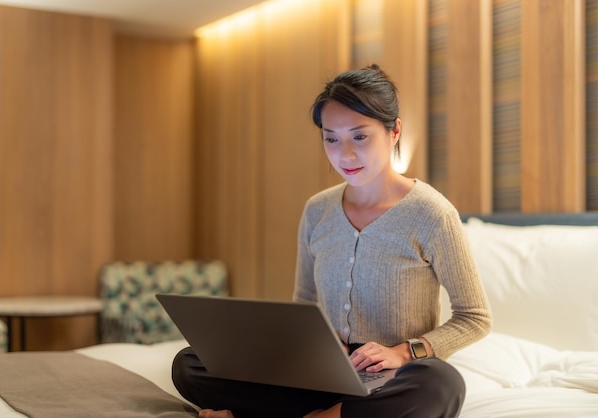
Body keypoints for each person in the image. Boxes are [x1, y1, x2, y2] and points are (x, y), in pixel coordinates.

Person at [172, 64, 492, 418]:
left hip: (389, 376)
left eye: (359, 136)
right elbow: (306, 301)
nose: (345, 154)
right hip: (318, 372)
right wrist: (320, 348)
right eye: (331, 138)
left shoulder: (432, 214)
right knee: (191, 363)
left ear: (394, 131)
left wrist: (404, 352)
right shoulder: (317, 210)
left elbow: (474, 317)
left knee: (440, 384)